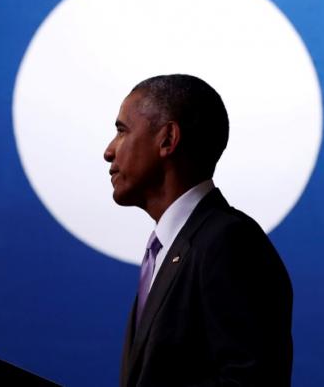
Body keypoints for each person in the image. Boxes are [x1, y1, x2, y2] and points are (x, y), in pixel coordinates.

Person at [104, 74, 293, 387]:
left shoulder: (229, 243)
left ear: (167, 139)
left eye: (122, 131)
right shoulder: (168, 249)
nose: (109, 151)